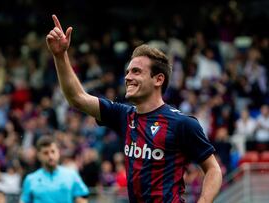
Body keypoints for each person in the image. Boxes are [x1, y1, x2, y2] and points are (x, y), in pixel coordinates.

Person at [46, 15, 222, 203]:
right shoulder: (124, 115)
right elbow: (77, 98)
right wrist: (60, 56)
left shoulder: (182, 123)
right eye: (128, 71)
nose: (128, 77)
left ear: (158, 79)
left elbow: (213, 169)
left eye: (136, 71)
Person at [20, 136, 89, 203]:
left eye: (53, 151)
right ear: (39, 156)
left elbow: (82, 198)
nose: (50, 156)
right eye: (45, 153)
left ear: (58, 152)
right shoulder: (30, 179)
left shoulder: (71, 175)